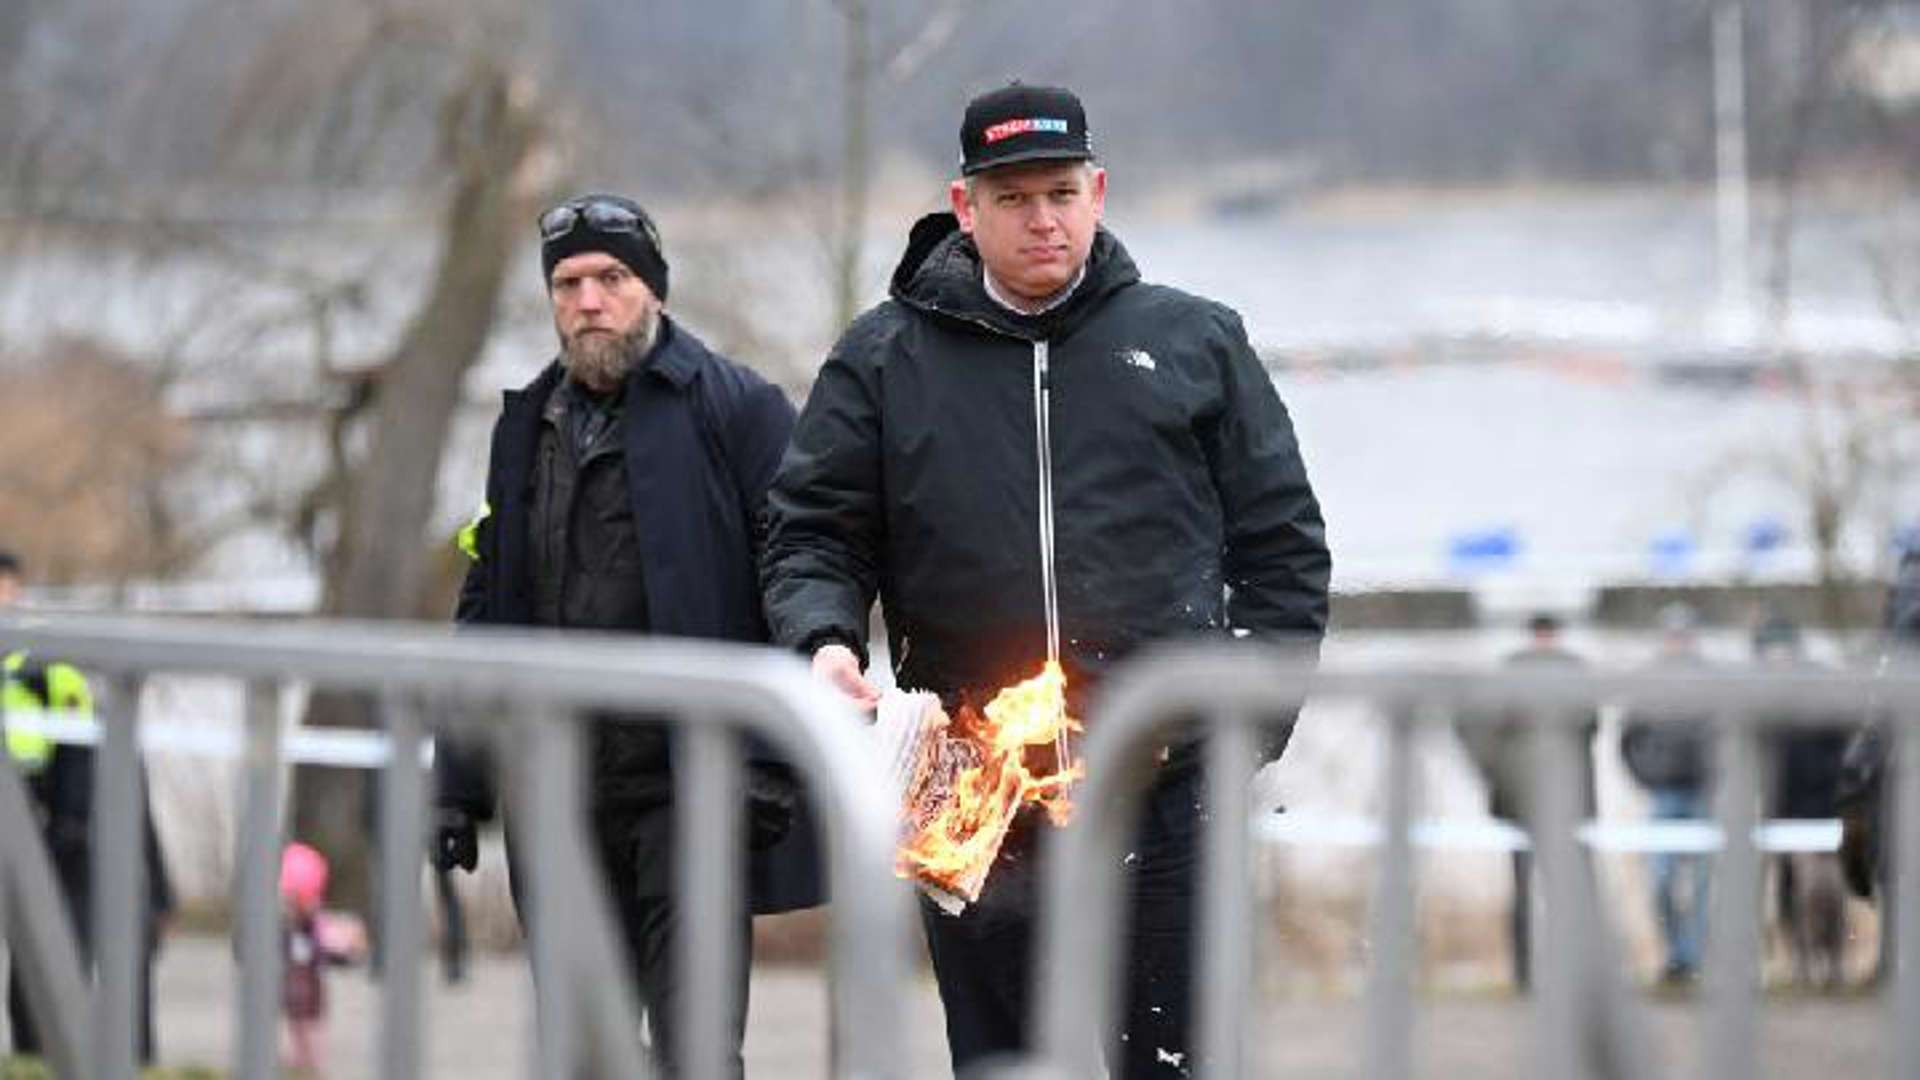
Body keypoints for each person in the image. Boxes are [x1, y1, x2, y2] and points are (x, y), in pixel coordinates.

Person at [761, 84, 1330, 1076]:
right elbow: (812, 532)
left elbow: (1282, 550)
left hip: (1167, 778)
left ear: (1099, 192)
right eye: (1014, 198)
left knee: (1177, 1058)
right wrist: (826, 641)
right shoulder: (882, 359)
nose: (1043, 219)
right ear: (965, 204)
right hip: (965, 781)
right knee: (1001, 1060)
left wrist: (1249, 724)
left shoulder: (1196, 342)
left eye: (1061, 193)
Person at [428, 196, 819, 1074]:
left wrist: (771, 757)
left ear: (656, 290)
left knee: (696, 1051)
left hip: (691, 789)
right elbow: (489, 598)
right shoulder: (524, 424)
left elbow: (799, 581)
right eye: (569, 283)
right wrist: (455, 777)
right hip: (556, 790)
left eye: (613, 278)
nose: (590, 300)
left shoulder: (740, 410)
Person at [0, 549, 174, 1064]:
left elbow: (85, 755)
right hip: (27, 829)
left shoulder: (46, 664)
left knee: (56, 969)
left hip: (51, 834)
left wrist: (68, 827)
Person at [1455, 612, 1598, 991]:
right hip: (1527, 800)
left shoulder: (1572, 673)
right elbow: (1474, 725)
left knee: (1568, 891)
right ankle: (1528, 975)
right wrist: (1495, 772)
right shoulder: (1517, 675)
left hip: (1562, 800)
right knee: (1530, 889)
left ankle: (1568, 973)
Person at [1755, 615, 1854, 989]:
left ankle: (1831, 963)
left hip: (1826, 810)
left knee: (1826, 890)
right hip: (1787, 811)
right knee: (1795, 890)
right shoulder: (1767, 702)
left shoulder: (1823, 697)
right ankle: (1802, 963)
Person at [1619, 602, 1714, 985]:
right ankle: (1678, 957)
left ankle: (1697, 961)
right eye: (1674, 635)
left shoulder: (1714, 680)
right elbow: (1628, 740)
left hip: (1704, 795)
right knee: (1660, 881)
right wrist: (1648, 776)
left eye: (1685, 635)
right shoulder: (1648, 680)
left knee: (1705, 886)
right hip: (1664, 795)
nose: (1679, 642)